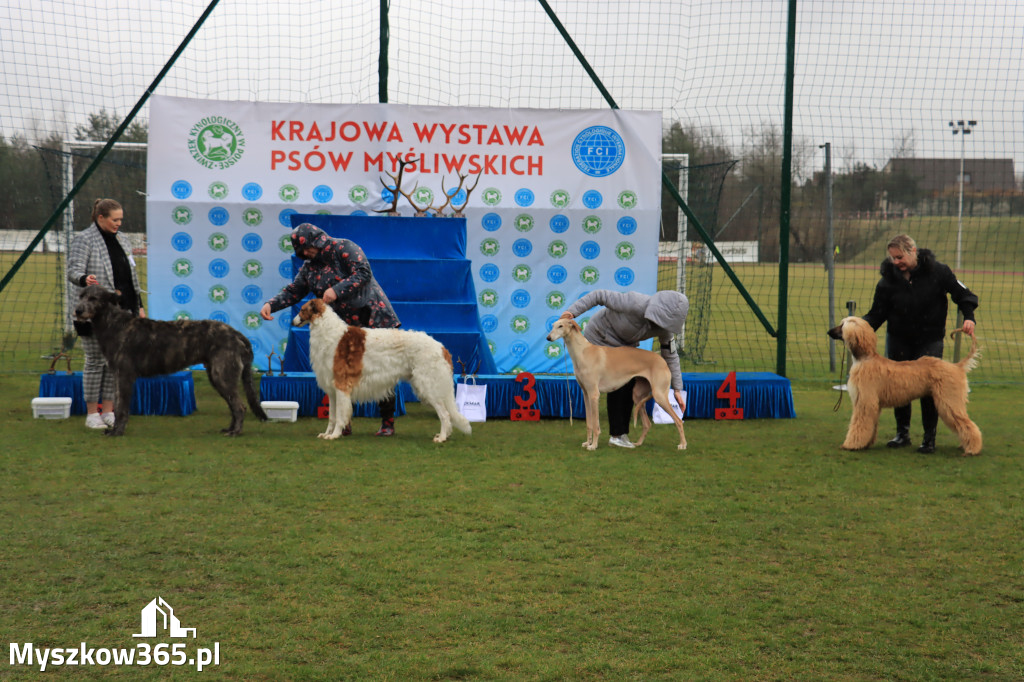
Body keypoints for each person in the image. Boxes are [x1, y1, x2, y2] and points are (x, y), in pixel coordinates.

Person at [260, 223, 401, 436]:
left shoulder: (344, 247)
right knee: (340, 375)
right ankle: (343, 424)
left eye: (307, 247)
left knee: (383, 370)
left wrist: (336, 290)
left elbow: (363, 272)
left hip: (372, 316)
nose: (305, 253)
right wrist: (272, 304)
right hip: (343, 327)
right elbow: (295, 290)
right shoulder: (308, 267)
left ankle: (387, 423)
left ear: (316, 239)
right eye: (302, 251)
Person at [862, 234, 978, 454]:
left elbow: (963, 294)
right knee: (898, 389)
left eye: (899, 257)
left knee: (931, 390)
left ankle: (929, 438)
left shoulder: (939, 272)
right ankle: (902, 434)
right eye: (892, 258)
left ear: (912, 251)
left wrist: (969, 316)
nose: (895, 262)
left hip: (929, 339)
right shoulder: (887, 281)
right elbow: (877, 314)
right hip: (898, 339)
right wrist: (856, 328)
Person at [560, 289, 689, 448]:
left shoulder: (665, 329)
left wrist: (677, 388)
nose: (660, 325)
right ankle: (609, 435)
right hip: (599, 337)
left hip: (623, 347)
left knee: (625, 384)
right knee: (609, 388)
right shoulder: (634, 302)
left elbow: (670, 355)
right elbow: (599, 295)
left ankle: (618, 435)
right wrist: (572, 312)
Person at [66, 198, 145, 429]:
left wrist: (138, 305)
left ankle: (109, 411)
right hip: (93, 314)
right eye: (115, 219)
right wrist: (84, 279)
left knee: (115, 362)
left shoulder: (123, 240)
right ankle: (92, 413)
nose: (118, 223)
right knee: (94, 361)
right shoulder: (84, 239)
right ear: (101, 218)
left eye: (121, 219)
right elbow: (73, 270)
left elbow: (132, 279)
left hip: (121, 315)